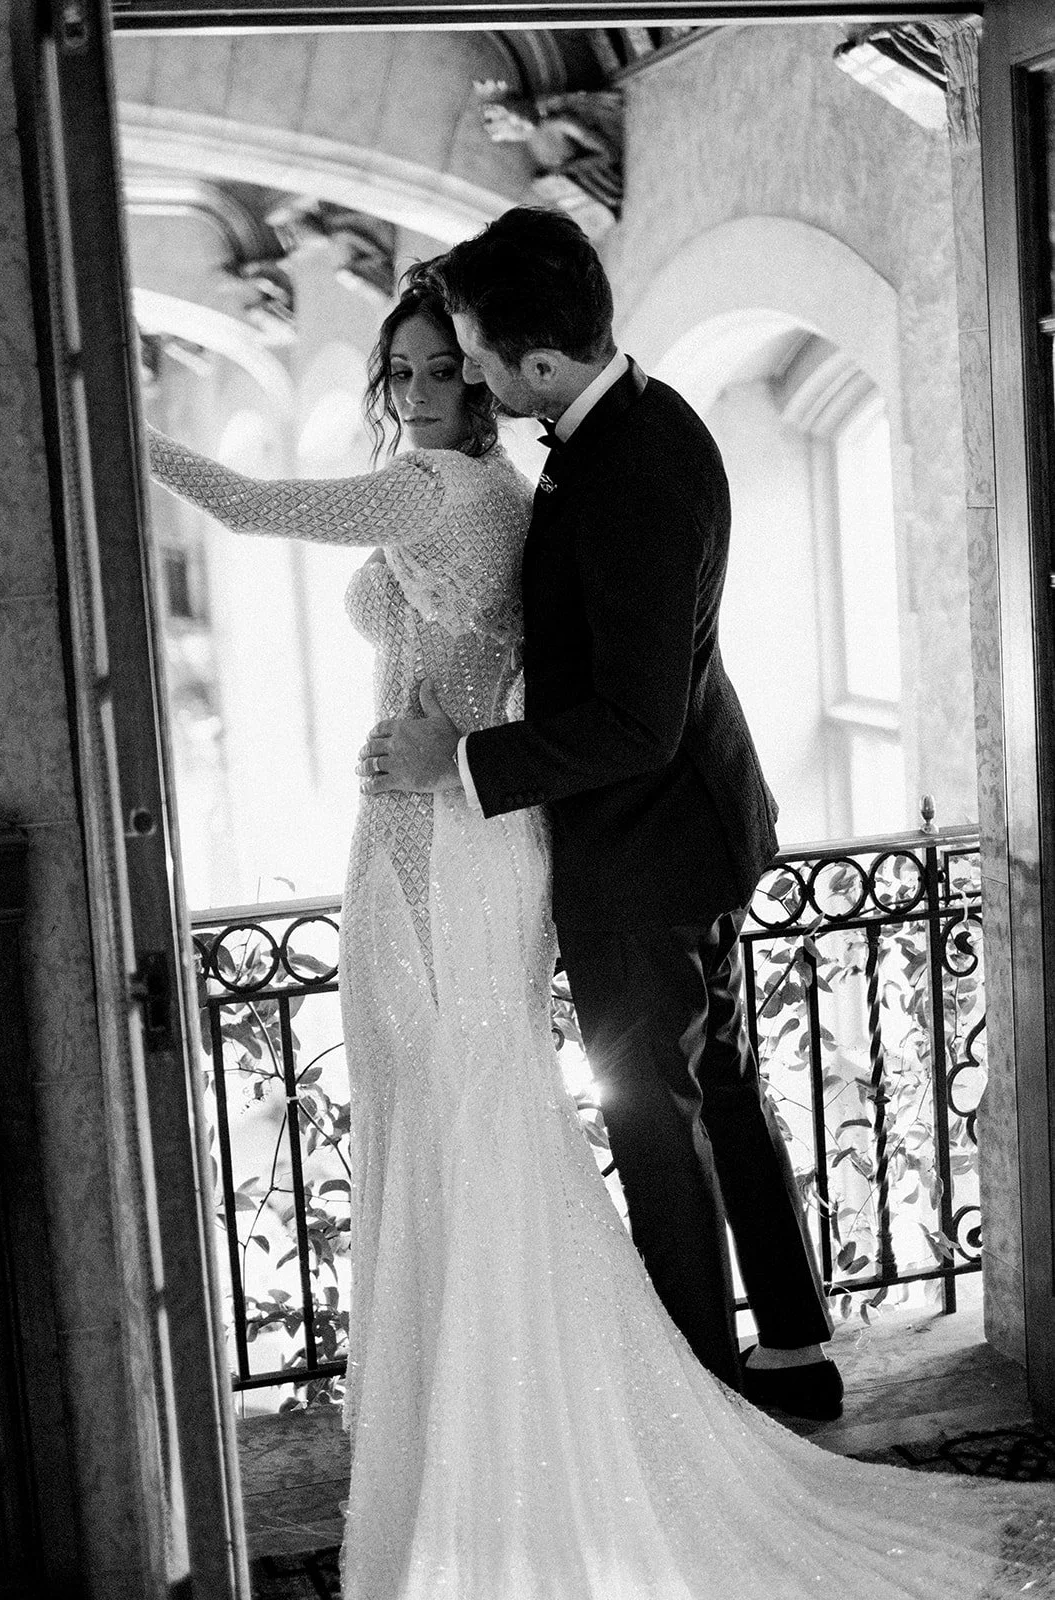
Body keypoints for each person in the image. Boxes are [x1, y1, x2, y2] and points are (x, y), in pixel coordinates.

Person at [147, 266, 1054, 1600]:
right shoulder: (526, 490)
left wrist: (95, 401)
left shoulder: (450, 493)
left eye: (443, 369)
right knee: (587, 1101)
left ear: (491, 370)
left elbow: (242, 500)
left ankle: (597, 1412)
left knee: (534, 1117)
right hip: (487, 830)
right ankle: (757, 1351)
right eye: (399, 371)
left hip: (452, 839)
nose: (417, 392)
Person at [361, 206, 835, 1414]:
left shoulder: (624, 472)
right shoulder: (644, 415)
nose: (457, 366)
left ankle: (705, 1400)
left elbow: (635, 719)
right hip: (699, 829)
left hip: (643, 853)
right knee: (722, 1088)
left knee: (657, 1122)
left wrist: (461, 760)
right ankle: (792, 1346)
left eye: (468, 346)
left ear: (533, 364)